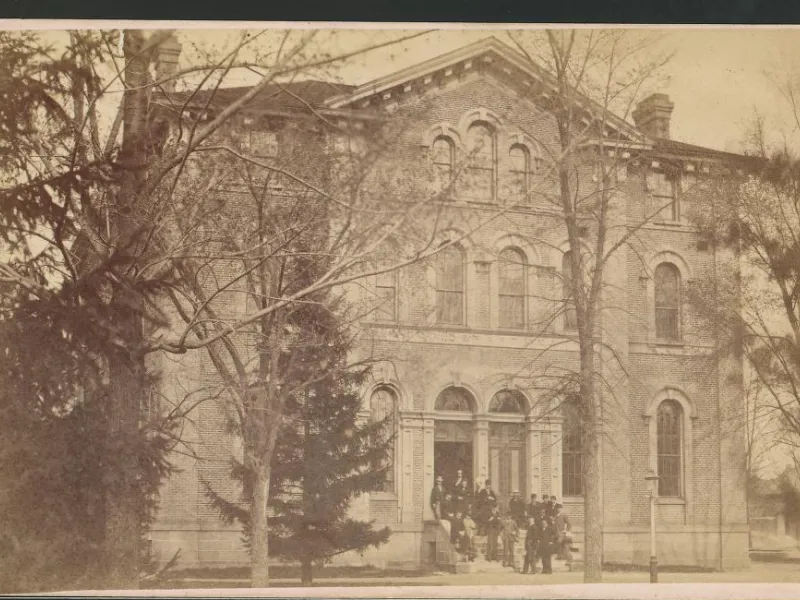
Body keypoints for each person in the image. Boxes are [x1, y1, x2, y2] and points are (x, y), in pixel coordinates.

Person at [553, 503, 573, 569]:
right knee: (561, 546)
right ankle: (561, 556)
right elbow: (555, 525)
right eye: (557, 508)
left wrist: (566, 531)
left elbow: (569, 524)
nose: (558, 509)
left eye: (559, 508)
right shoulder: (556, 516)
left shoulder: (564, 515)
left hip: (563, 533)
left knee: (563, 546)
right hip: (557, 533)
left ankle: (568, 560)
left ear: (561, 509)